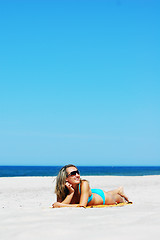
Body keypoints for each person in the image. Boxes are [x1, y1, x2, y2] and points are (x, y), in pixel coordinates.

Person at [52, 164, 130, 208]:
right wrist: (71, 193)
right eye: (73, 174)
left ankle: (118, 192)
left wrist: (60, 205)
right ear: (65, 178)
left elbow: (82, 206)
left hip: (102, 198)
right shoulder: (61, 188)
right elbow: (60, 205)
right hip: (89, 193)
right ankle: (118, 190)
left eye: (77, 172)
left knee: (116, 198)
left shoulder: (84, 184)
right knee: (108, 193)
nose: (77, 175)